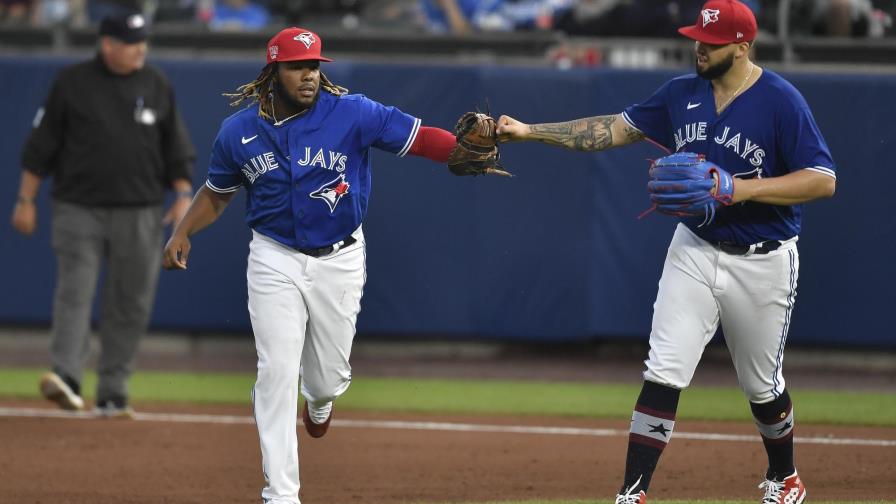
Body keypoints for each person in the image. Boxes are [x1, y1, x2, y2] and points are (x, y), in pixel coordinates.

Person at [496, 1, 835, 503]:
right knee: (664, 369)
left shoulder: (782, 101)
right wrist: (530, 131)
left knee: (762, 385)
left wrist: (738, 189)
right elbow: (612, 129)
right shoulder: (681, 94)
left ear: (742, 48)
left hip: (764, 259)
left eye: (711, 42)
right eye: (697, 37)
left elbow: (822, 181)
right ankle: (633, 493)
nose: (699, 47)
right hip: (695, 248)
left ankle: (785, 476)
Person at [162, 27, 476, 504]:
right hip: (273, 257)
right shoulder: (238, 133)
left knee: (326, 376)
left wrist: (460, 149)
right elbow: (217, 194)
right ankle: (281, 493)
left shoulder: (352, 112)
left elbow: (416, 137)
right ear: (273, 72)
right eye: (297, 66)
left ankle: (321, 400)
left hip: (340, 256)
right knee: (276, 370)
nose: (309, 75)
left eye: (314, 66)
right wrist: (183, 231)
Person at [11, 13, 195, 418]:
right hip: (79, 208)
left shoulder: (156, 83)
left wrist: (182, 194)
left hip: (141, 212)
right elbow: (40, 147)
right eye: (131, 42)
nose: (140, 48)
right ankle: (68, 377)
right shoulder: (72, 83)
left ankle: (114, 389)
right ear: (107, 44)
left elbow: (176, 149)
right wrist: (25, 200)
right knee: (74, 292)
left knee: (130, 300)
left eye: (143, 40)